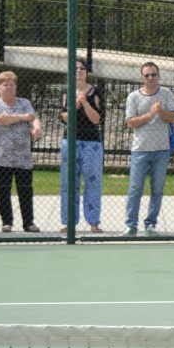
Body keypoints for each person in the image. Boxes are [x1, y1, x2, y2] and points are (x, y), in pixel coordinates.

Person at [124, 62, 174, 236]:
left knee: (157, 189)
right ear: (142, 77)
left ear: (159, 76)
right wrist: (150, 114)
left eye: (153, 74)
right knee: (135, 189)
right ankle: (131, 225)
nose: (150, 78)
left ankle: (150, 224)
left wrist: (160, 111)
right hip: (140, 149)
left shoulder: (166, 93)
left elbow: (173, 118)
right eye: (147, 75)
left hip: (161, 150)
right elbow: (131, 122)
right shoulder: (133, 96)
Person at [0, 71, 43, 233]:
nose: (9, 87)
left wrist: (37, 127)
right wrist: (23, 117)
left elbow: (34, 118)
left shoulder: (24, 102)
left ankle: (29, 223)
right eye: (5, 85)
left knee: (25, 190)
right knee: (4, 190)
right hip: (2, 155)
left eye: (12, 84)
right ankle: (7, 222)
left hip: (23, 156)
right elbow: (0, 119)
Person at [60, 59, 104, 233]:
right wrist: (74, 105)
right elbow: (64, 118)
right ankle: (68, 221)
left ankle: (94, 222)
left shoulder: (96, 92)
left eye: (82, 68)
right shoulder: (66, 92)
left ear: (87, 72)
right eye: (75, 68)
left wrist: (85, 103)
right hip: (70, 142)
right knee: (69, 182)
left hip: (92, 143)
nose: (78, 71)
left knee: (93, 182)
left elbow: (97, 119)